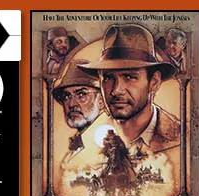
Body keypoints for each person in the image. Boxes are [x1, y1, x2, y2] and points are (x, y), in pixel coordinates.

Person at [80, 23, 183, 156]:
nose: (116, 90)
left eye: (129, 77)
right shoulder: (86, 144)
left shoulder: (182, 140)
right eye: (108, 78)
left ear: (154, 82)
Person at [52, 64, 103, 153]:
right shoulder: (79, 141)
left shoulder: (106, 141)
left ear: (101, 100)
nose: (71, 104)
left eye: (81, 95)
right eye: (66, 96)